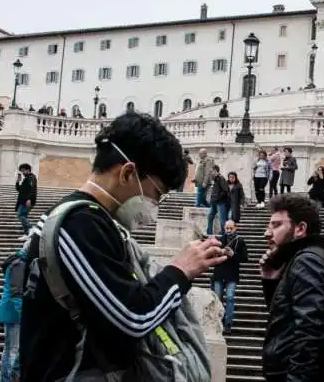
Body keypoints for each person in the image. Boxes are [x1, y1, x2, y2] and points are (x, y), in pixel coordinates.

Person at [19, 112, 227, 381]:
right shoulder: (78, 224)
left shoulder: (89, 220)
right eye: (157, 193)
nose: (155, 206)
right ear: (128, 173)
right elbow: (132, 319)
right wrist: (180, 271)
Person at [259, 194, 324, 378]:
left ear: (300, 229)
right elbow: (287, 322)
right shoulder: (304, 260)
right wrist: (271, 281)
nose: (267, 233)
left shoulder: (307, 262)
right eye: (269, 225)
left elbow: (310, 335)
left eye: (277, 225)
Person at [211, 220, 249, 334]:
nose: (228, 230)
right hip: (219, 273)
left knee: (230, 297)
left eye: (230, 228)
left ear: (235, 228)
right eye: (226, 228)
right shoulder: (219, 240)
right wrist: (219, 252)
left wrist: (233, 254)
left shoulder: (240, 241)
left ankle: (228, 322)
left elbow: (245, 258)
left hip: (232, 274)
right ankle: (218, 321)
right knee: (217, 298)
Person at [0, 250, 25, 382]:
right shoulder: (20, 264)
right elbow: (16, 293)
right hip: (13, 312)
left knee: (8, 349)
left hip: (8, 310)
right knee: (13, 350)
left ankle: (5, 378)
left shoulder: (17, 262)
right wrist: (23, 315)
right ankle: (9, 378)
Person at [14, 163, 37, 240]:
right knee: (23, 216)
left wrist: (29, 199)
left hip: (26, 201)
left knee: (21, 215)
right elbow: (19, 190)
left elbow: (33, 189)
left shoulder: (31, 178)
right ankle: (27, 234)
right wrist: (17, 182)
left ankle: (31, 229)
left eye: (23, 171)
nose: (22, 173)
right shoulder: (26, 179)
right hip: (22, 201)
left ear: (28, 170)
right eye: (21, 171)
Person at [205, 165, 230, 235]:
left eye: (211, 171)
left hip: (220, 202)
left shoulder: (221, 178)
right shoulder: (214, 179)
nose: (210, 172)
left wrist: (218, 197)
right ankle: (209, 232)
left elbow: (225, 190)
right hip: (214, 202)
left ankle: (224, 234)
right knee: (210, 216)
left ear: (215, 170)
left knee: (222, 220)